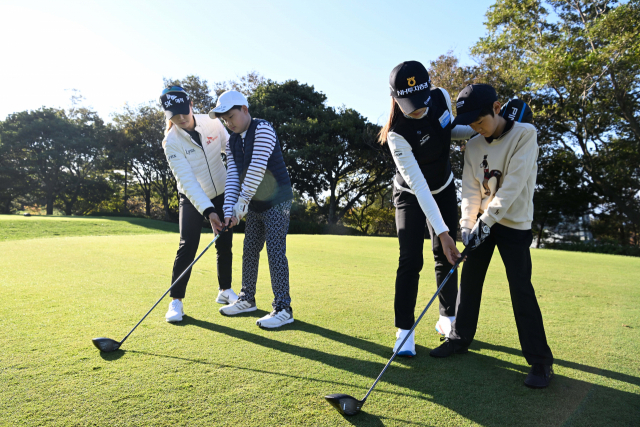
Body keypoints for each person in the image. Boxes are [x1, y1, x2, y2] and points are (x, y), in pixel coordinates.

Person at [429, 84, 554, 389]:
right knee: (469, 282)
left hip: (514, 224)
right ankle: (458, 339)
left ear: (497, 108)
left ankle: (540, 361)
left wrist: (484, 223)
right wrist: (467, 225)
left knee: (520, 289)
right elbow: (470, 190)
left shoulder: (525, 134)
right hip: (482, 224)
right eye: (470, 124)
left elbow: (512, 186)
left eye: (480, 121)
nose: (476, 128)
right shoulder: (473, 144)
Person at [379, 61, 475, 356]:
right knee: (410, 259)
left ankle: (447, 319)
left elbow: (448, 130)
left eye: (421, 101)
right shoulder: (396, 134)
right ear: (395, 98)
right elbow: (420, 187)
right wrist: (444, 233)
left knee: (445, 256)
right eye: (410, 104)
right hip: (411, 194)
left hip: (444, 185)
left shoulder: (441, 96)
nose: (418, 109)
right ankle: (404, 330)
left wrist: (480, 129)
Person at [210, 90, 295, 329]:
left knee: (275, 251)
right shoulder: (233, 141)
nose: (228, 123)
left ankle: (283, 308)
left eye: (231, 117)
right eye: (224, 120)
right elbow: (233, 177)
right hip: (255, 204)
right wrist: (229, 211)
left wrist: (240, 206)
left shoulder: (263, 129)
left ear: (244, 110)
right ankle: (247, 299)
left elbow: (257, 168)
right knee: (249, 250)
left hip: (277, 201)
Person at [160, 86, 237, 323]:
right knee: (188, 245)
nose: (181, 118)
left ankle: (225, 290)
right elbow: (188, 181)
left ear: (191, 104)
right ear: (167, 115)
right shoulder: (171, 142)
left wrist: (236, 187)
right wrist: (209, 210)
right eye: (174, 115)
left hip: (221, 190)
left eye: (184, 111)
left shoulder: (212, 122)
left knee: (224, 241)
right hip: (192, 196)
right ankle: (176, 301)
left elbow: (231, 150)